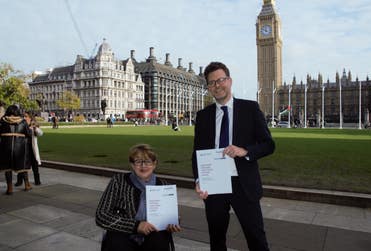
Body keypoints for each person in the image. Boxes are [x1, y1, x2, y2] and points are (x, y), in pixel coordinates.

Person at [192, 62, 275, 251]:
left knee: (256, 238)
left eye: (220, 80)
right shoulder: (203, 116)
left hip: (243, 184)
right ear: (208, 87)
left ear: (229, 81)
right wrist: (199, 179)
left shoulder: (250, 109)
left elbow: (268, 144)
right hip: (213, 185)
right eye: (211, 83)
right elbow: (196, 152)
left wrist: (245, 151)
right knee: (217, 239)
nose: (217, 85)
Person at [96, 144, 181, 251]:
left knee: (159, 240)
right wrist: (136, 226)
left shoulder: (164, 185)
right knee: (118, 242)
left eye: (148, 162)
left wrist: (173, 222)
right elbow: (101, 216)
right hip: (124, 235)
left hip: (153, 236)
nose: (143, 166)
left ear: (154, 164)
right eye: (138, 162)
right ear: (132, 164)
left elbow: (171, 216)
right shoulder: (119, 181)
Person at [0, 105, 32, 195]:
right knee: (23, 167)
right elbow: (29, 134)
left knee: (7, 168)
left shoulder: (3, 121)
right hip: (20, 148)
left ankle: (10, 188)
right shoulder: (23, 122)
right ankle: (27, 185)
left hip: (6, 147)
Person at [15, 112, 43, 186]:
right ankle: (19, 181)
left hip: (32, 149)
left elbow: (41, 133)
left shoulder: (33, 127)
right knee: (22, 166)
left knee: (35, 166)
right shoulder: (21, 126)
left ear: (30, 118)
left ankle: (37, 181)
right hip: (23, 149)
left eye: (26, 116)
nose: (24, 118)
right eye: (23, 116)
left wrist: (34, 128)